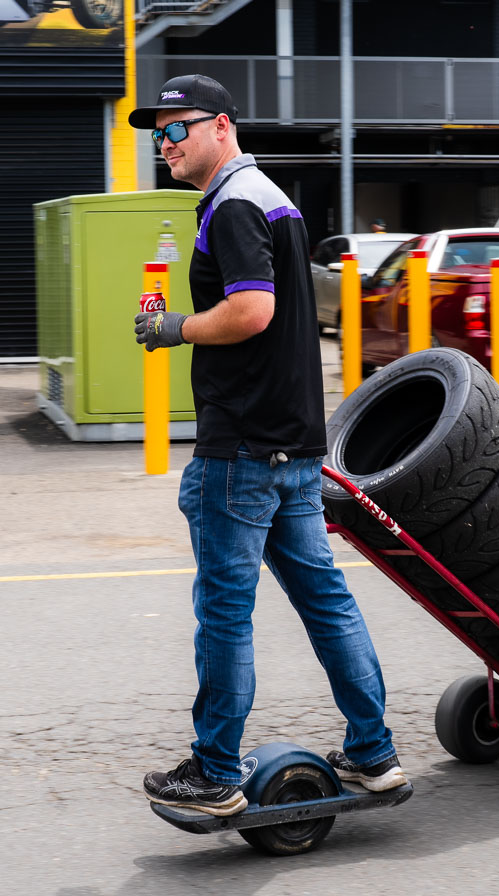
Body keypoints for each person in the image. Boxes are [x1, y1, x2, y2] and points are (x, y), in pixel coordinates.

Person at [128, 74, 404, 817]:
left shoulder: (234, 202)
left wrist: (173, 327)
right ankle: (375, 753)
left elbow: (252, 310)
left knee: (225, 611)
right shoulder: (272, 199)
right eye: (156, 133)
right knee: (326, 601)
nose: (165, 142)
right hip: (292, 444)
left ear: (221, 125)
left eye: (176, 127)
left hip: (242, 447)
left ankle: (215, 769)